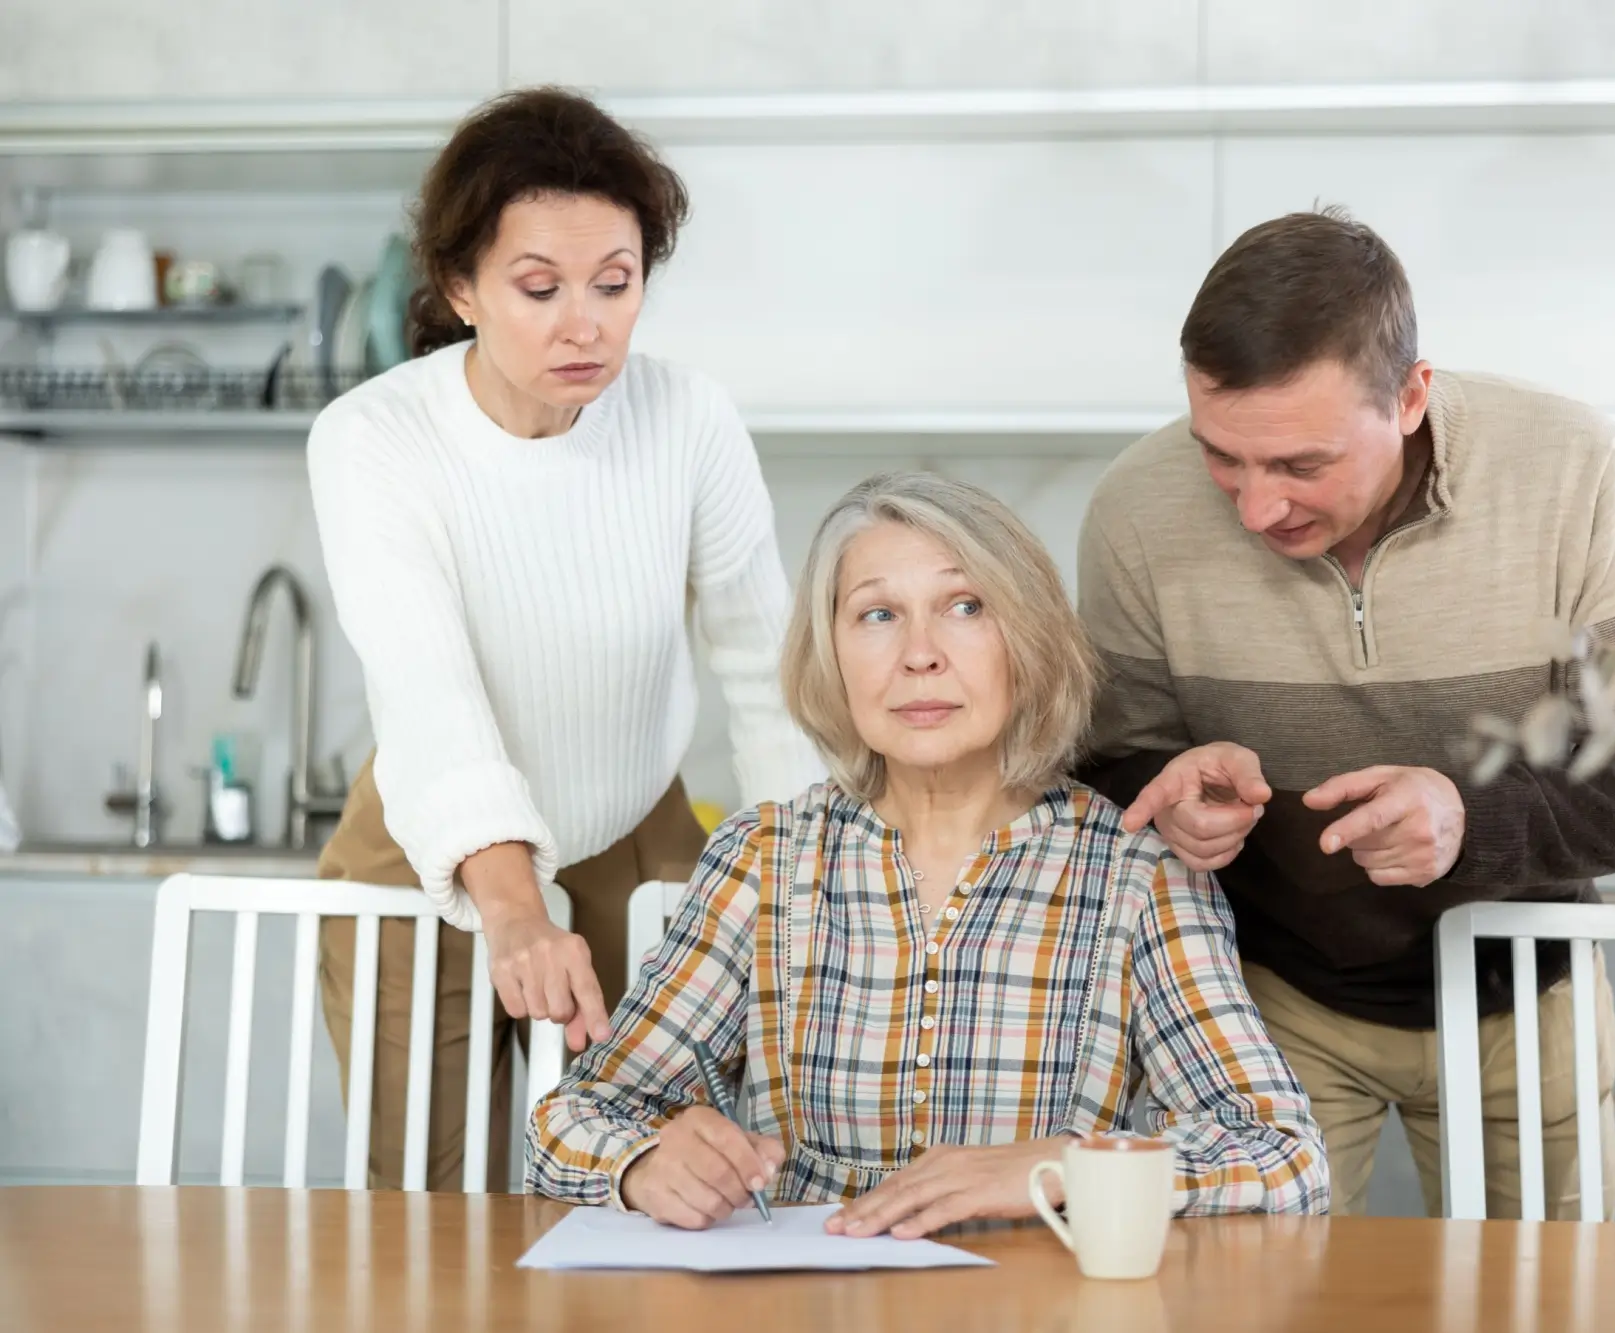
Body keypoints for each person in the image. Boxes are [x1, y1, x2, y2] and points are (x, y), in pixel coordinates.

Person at [1075, 207, 1615, 1220]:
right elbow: (1109, 762)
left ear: (1411, 395)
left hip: (1527, 996)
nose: (1253, 509)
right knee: (1252, 1305)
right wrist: (1166, 799)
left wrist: (1473, 817)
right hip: (1263, 1004)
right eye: (1220, 457)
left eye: (1299, 465)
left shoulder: (1575, 471)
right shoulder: (1134, 508)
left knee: (1546, 1309)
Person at [527, 472, 1329, 1232]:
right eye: (877, 614)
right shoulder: (762, 858)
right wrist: (641, 1163)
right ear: (831, 653)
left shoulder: (1137, 873)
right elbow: (574, 1119)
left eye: (965, 606)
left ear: (1031, 637)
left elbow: (1282, 1153)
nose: (920, 653)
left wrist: (1062, 1168)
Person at [307, 87, 821, 1189]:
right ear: (461, 288)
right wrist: (509, 907)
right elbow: (424, 684)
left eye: (615, 283)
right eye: (538, 288)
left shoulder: (689, 420)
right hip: (424, 847)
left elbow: (763, 668)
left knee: (670, 1179)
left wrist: (803, 875)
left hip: (636, 833)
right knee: (427, 1198)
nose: (583, 323)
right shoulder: (374, 438)